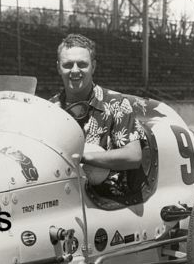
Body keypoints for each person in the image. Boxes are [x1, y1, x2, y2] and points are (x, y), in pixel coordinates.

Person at [50, 33, 143, 199]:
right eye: (68, 65)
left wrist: (82, 157)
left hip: (108, 203)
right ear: (58, 67)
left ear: (93, 66)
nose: (75, 70)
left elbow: (133, 156)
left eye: (82, 64)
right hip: (61, 198)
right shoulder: (50, 109)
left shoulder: (117, 103)